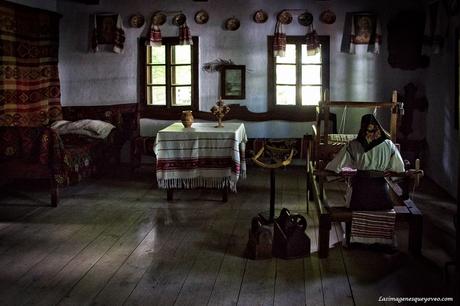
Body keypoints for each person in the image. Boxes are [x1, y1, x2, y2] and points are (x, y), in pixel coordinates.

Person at [325, 114, 405, 211]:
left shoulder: (353, 145)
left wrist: (327, 166)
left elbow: (336, 165)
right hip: (380, 190)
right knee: (382, 213)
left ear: (362, 127)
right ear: (378, 127)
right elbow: (399, 168)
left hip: (360, 188)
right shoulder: (389, 145)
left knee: (355, 213)